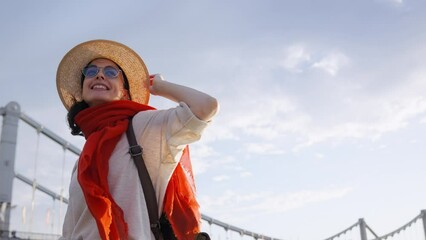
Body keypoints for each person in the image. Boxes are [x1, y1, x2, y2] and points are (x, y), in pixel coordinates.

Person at [56, 39, 218, 240]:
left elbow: (205, 107)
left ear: (125, 92)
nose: (98, 74)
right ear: (82, 89)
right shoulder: (83, 161)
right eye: (91, 72)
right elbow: (70, 231)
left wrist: (160, 86)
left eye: (110, 72)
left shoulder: (144, 126)